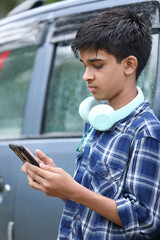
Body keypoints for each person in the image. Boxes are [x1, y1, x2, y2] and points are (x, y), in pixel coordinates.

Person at [21, 8, 160, 240]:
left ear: (129, 65)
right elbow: (91, 201)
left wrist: (73, 190)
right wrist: (61, 185)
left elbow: (145, 222)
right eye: (84, 65)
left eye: (97, 65)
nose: (86, 76)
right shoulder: (96, 122)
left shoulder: (146, 132)